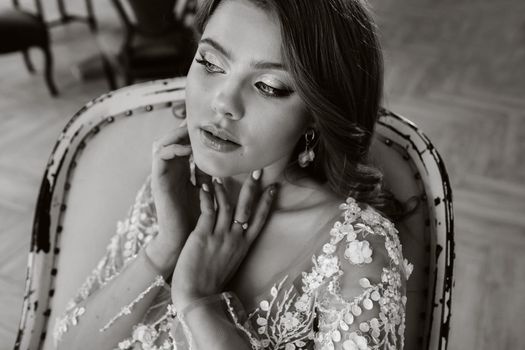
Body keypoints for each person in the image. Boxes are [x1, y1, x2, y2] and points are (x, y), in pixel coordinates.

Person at [53, 0, 415, 349]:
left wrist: (199, 305)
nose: (224, 102)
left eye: (269, 86)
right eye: (210, 63)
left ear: (315, 113)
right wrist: (165, 248)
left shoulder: (355, 250)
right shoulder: (174, 188)